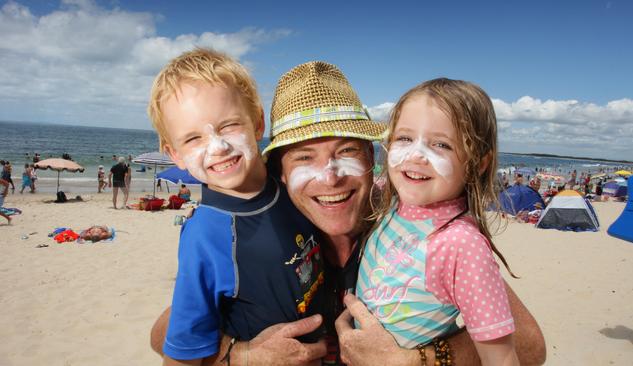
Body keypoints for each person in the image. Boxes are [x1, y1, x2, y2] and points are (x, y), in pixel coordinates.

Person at [150, 61, 546, 365]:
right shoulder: (268, 224)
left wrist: (413, 360)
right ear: (281, 173)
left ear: (373, 157)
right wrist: (240, 355)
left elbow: (529, 345)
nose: (331, 177)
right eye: (305, 157)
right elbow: (165, 332)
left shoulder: (409, 221)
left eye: (346, 152)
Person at [148, 48, 325, 365]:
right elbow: (182, 351)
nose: (218, 147)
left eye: (229, 125)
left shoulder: (290, 181)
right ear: (173, 153)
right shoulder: (205, 234)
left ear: (257, 123)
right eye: (192, 139)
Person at [356, 78, 518, 365]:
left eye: (441, 144)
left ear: (478, 163)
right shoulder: (393, 205)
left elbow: (501, 359)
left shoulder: (462, 245)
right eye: (404, 138)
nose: (416, 155)